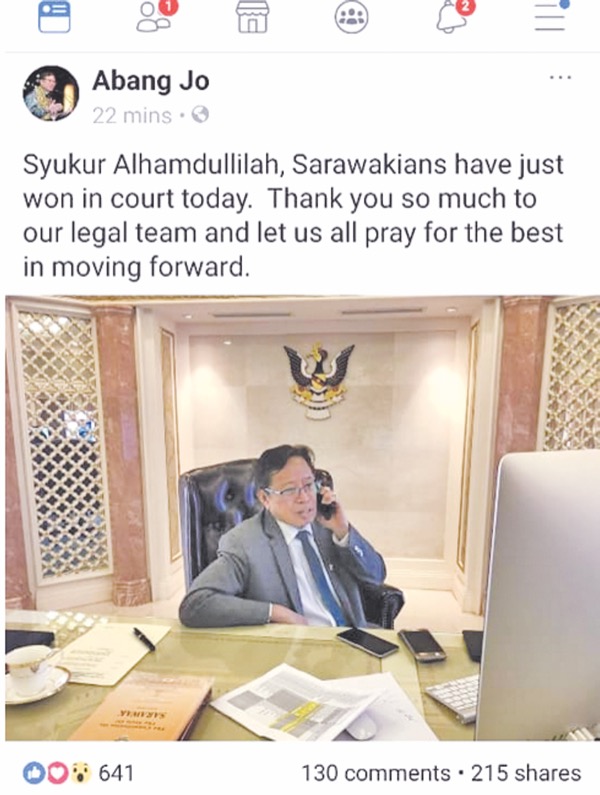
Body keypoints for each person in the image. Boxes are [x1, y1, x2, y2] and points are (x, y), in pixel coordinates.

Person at [179, 444, 385, 627]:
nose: (304, 498)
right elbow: (196, 604)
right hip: (299, 647)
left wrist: (343, 531)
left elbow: (376, 576)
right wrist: (274, 613)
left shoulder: (329, 526)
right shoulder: (244, 542)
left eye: (308, 485)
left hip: (354, 638)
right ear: (265, 498)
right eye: (289, 490)